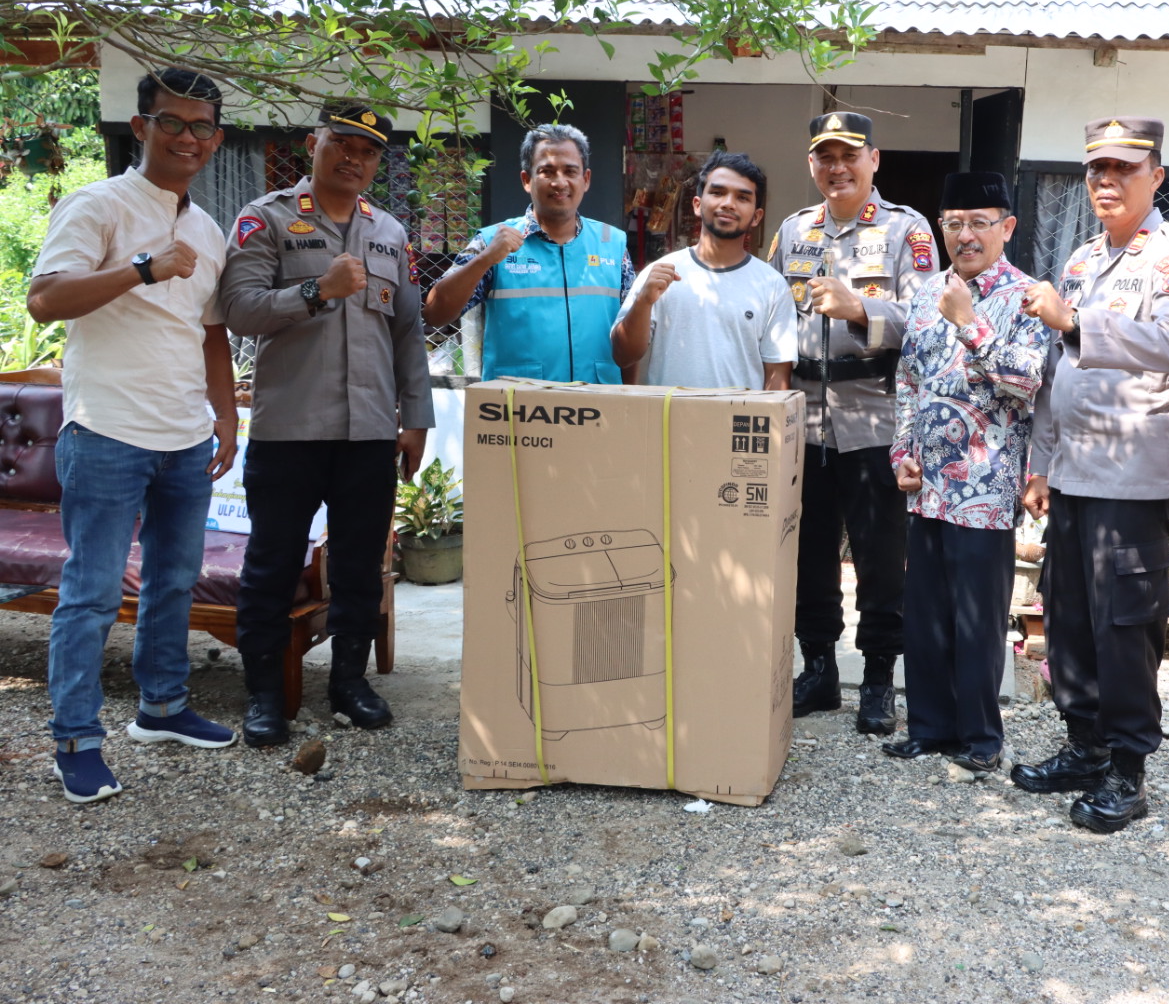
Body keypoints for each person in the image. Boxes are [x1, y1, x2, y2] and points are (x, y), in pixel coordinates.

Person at [27, 67, 240, 802]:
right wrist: (141, 269)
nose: (187, 137)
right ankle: (77, 740)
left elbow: (211, 333)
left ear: (216, 141)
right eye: (172, 122)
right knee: (89, 594)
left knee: (173, 582)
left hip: (183, 436)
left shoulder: (208, 230)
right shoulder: (98, 206)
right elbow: (45, 300)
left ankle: (163, 706)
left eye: (200, 126)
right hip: (107, 431)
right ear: (140, 126)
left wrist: (226, 414)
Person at [220, 105, 434, 746]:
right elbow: (239, 310)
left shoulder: (389, 232)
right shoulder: (268, 218)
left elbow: (407, 332)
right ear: (313, 145)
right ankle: (264, 695)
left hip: (368, 432)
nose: (353, 159)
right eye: (341, 144)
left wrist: (416, 417)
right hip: (289, 431)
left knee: (363, 565)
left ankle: (348, 683)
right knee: (272, 563)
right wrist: (317, 291)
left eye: (367, 152)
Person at [1014, 117, 1169, 832]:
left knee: (1125, 628)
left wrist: (1076, 323)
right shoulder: (1084, 258)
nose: (1106, 181)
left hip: (1130, 479)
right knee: (1068, 619)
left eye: (1124, 168)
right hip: (1072, 476)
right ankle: (1084, 745)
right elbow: (1056, 375)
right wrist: (1040, 462)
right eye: (1097, 169)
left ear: (1156, 174)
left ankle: (1128, 772)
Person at [769, 111, 938, 735]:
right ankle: (817, 670)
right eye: (824, 157)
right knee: (808, 553)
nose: (836, 168)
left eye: (848, 155)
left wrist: (862, 306)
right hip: (803, 422)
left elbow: (927, 318)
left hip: (872, 417)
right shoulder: (793, 231)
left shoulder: (906, 230)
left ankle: (875, 681)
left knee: (879, 556)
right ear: (812, 164)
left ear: (874, 159)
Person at [882, 171, 1049, 772]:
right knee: (925, 612)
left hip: (986, 484)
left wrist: (969, 322)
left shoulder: (1028, 296)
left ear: (1007, 227)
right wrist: (902, 451)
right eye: (954, 223)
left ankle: (981, 739)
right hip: (926, 486)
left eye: (980, 222)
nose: (965, 235)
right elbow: (909, 379)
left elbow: (1026, 382)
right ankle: (929, 726)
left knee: (977, 618)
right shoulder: (927, 292)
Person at [422, 123, 633, 383]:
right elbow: (434, 314)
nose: (559, 182)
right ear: (527, 180)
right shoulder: (490, 242)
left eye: (570, 171)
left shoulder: (612, 244)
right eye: (547, 171)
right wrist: (484, 259)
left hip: (597, 407)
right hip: (519, 409)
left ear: (585, 179)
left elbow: (630, 343)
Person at [611, 151, 795, 389]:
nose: (728, 203)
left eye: (742, 197)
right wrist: (643, 302)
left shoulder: (772, 286)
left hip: (737, 424)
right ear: (697, 204)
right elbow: (623, 356)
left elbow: (777, 377)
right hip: (668, 422)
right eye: (718, 193)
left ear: (756, 217)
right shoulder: (659, 273)